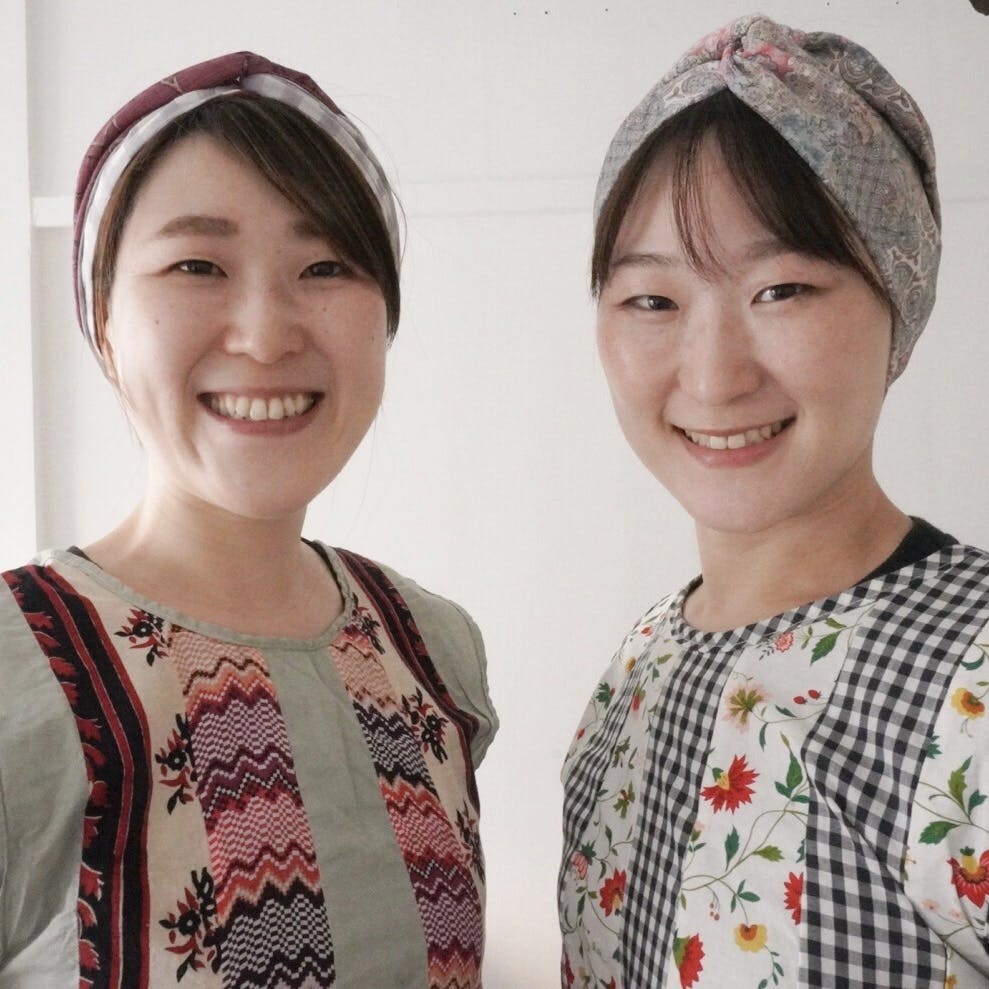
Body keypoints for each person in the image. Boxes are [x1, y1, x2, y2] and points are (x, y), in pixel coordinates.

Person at [0, 52, 496, 988]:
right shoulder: (13, 665)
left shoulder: (434, 646)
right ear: (104, 321)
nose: (265, 335)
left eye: (325, 266)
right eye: (197, 265)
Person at [559, 14, 989, 988]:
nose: (713, 377)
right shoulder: (633, 672)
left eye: (781, 289)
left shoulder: (973, 672)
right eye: (651, 300)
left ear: (898, 304)